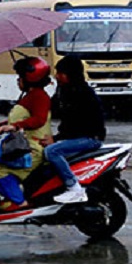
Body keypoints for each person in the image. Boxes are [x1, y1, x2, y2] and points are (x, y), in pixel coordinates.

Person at [0, 56, 53, 212]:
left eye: (20, 77)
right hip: (23, 146)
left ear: (29, 79)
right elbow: (17, 120)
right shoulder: (29, 96)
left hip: (32, 149)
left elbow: (39, 120)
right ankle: (11, 196)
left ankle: (19, 201)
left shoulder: (39, 97)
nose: (18, 81)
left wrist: (15, 126)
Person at [45, 55, 106, 203]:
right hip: (77, 135)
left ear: (70, 74)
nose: (57, 76)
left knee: (52, 151)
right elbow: (51, 108)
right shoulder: (64, 90)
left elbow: (74, 125)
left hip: (90, 138)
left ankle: (74, 188)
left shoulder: (82, 94)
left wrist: (56, 139)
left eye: (60, 73)